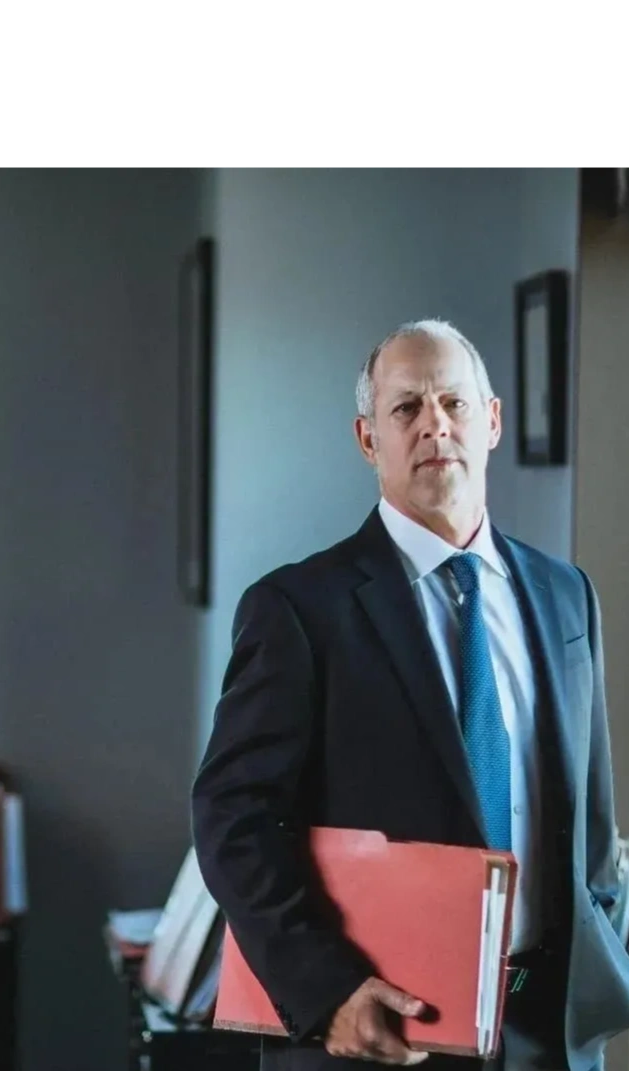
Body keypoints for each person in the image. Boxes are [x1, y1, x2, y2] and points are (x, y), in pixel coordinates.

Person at [191, 320, 629, 1071]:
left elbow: (589, 814)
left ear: (489, 422)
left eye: (454, 403)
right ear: (368, 440)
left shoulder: (564, 596)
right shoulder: (298, 609)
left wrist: (605, 940)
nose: (434, 423)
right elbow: (233, 819)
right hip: (378, 1032)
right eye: (406, 408)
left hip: (545, 1031)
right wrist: (326, 992)